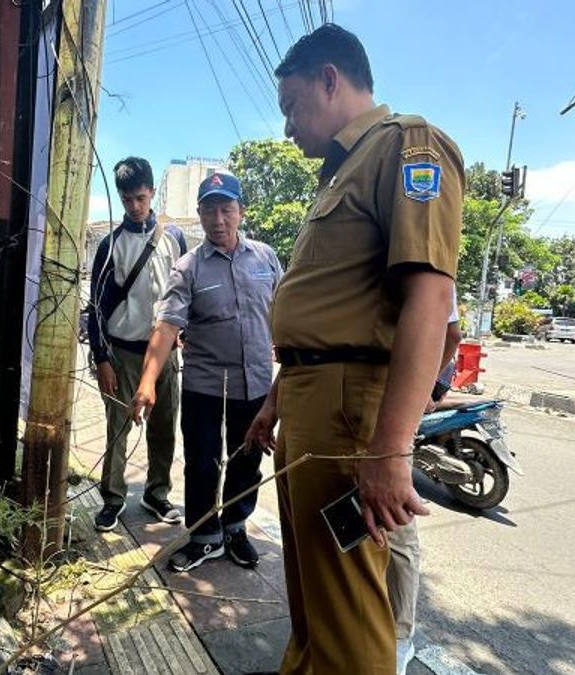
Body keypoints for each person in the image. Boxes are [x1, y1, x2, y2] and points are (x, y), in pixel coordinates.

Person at [244, 24, 464, 675]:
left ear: (329, 80)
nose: (287, 127)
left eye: (291, 107)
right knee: (315, 597)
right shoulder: (341, 171)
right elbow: (326, 314)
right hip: (313, 400)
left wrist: (391, 448)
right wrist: (276, 401)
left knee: (350, 611)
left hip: (347, 414)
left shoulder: (405, 148)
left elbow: (428, 296)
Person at [130, 172, 283, 572]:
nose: (219, 219)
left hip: (255, 384)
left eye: (226, 209)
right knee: (202, 461)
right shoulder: (188, 267)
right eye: (210, 210)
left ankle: (234, 527)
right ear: (199, 214)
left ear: (240, 212)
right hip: (205, 385)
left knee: (247, 458)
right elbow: (166, 326)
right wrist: (147, 382)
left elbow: (284, 314)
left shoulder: (266, 258)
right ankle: (204, 537)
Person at [87, 157, 188, 532]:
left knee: (164, 426)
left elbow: (182, 296)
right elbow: (95, 307)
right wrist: (101, 359)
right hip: (123, 353)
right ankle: (112, 498)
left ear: (153, 193)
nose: (134, 207)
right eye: (127, 200)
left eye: (141, 198)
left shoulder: (173, 239)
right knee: (117, 428)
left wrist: (184, 334)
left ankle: (156, 493)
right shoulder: (110, 245)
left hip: (165, 353)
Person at [388, 286, 463, 675]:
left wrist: (423, 389)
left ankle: (400, 636)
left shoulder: (421, 262)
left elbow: (450, 335)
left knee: (398, 530)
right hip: (357, 402)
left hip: (387, 402)